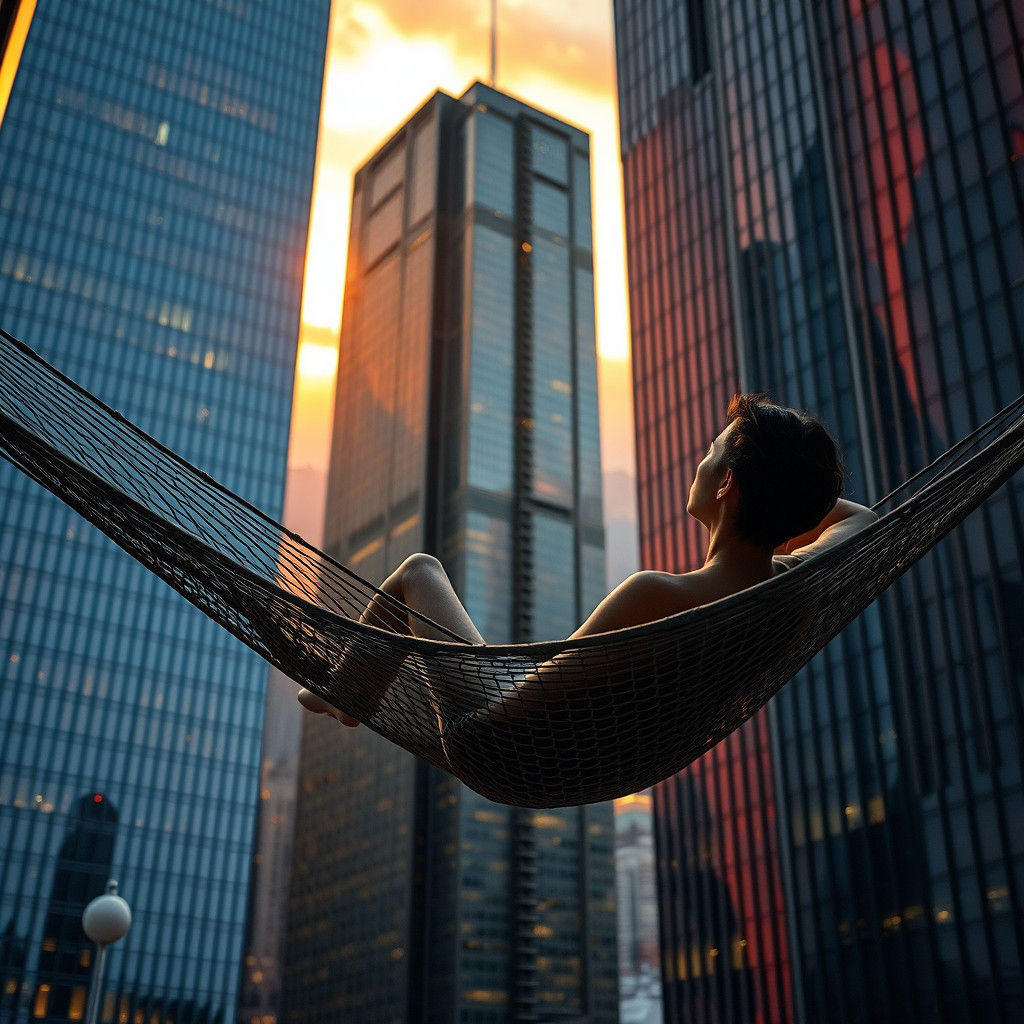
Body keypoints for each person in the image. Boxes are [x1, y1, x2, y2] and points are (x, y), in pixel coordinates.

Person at [298, 394, 877, 728]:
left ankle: (346, 690)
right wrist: (785, 500)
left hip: (498, 748)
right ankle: (350, 692)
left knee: (421, 569)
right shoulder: (792, 593)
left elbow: (516, 709)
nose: (699, 462)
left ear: (727, 483)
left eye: (711, 452)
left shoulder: (658, 595)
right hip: (601, 764)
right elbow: (862, 520)